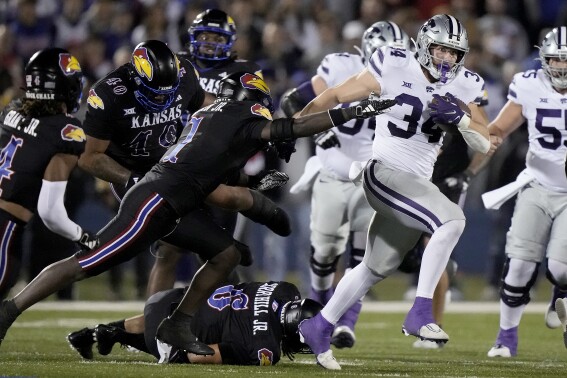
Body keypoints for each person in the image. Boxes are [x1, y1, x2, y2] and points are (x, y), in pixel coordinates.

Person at [0, 71, 395, 355]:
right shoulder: (239, 116)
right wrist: (352, 111)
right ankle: (10, 308)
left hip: (171, 198)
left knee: (226, 253)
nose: (262, 110)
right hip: (157, 201)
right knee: (89, 261)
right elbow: (291, 128)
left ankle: (178, 323)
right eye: (259, 103)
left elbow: (210, 168)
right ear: (250, 100)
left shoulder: (208, 116)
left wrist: (254, 183)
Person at [296, 14, 490, 370]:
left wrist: (461, 119)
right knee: (451, 220)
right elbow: (337, 94)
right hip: (384, 172)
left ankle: (319, 325)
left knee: (374, 266)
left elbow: (485, 139)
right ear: (424, 44)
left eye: (454, 52)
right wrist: (294, 126)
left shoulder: (465, 84)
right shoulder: (394, 63)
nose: (447, 58)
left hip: (414, 184)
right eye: (440, 49)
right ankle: (420, 311)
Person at [77, 39, 290, 299]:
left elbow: (213, 108)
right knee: (172, 248)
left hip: (176, 165)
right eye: (157, 91)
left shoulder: (184, 74)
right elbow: (89, 158)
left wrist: (259, 125)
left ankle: (268, 218)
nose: (163, 97)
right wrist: (134, 180)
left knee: (231, 198)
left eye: (170, 90)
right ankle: (153, 321)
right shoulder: (110, 94)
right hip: (137, 177)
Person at [280, 20, 411, 349]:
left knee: (361, 255)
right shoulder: (339, 66)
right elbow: (292, 101)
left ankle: (345, 323)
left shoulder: (410, 77)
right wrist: (316, 132)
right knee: (324, 253)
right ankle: (315, 311)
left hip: (373, 176)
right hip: (333, 173)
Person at [147, 8, 272, 296]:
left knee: (218, 251)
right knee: (168, 250)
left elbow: (258, 113)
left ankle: (231, 316)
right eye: (204, 35)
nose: (209, 42)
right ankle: (149, 326)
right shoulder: (177, 64)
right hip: (176, 163)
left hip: (219, 170)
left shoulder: (246, 70)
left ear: (229, 40)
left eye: (216, 37)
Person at [486, 26, 567, 358]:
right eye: (554, 60)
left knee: (561, 268)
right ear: (543, 60)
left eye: (566, 60)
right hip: (536, 185)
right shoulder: (529, 85)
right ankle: (506, 337)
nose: (560, 67)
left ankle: (560, 291)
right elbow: (498, 129)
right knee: (518, 265)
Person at [0, 47, 97, 298]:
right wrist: (82, 235)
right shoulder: (66, 131)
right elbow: (50, 212)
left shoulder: (11, 111)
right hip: (4, 226)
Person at [68, 280, 321, 365]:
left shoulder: (285, 290)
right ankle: (114, 334)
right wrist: (177, 357)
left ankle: (98, 333)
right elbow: (206, 355)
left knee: (194, 315)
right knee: (175, 346)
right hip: (174, 331)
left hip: (173, 299)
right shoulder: (265, 349)